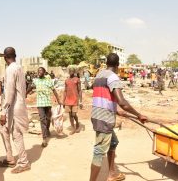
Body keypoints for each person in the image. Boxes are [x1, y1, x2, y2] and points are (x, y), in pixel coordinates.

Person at [89, 53, 147, 181]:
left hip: (97, 115)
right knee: (99, 152)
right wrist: (139, 115)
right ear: (117, 65)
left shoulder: (99, 75)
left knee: (113, 142)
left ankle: (111, 174)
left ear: (107, 63)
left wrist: (117, 111)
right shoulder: (113, 77)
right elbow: (122, 102)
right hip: (104, 119)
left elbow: (103, 97)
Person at [0, 47, 31, 173]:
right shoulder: (19, 67)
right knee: (4, 130)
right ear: (15, 55)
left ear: (4, 57)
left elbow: (10, 93)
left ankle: (24, 163)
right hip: (18, 105)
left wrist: (3, 112)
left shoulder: (10, 69)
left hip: (14, 106)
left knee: (16, 134)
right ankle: (10, 158)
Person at [27, 67, 62, 147]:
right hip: (40, 104)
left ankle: (47, 130)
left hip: (48, 103)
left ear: (44, 72)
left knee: (48, 119)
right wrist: (25, 93)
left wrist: (59, 100)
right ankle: (44, 138)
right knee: (42, 119)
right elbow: (31, 87)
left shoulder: (48, 81)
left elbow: (54, 91)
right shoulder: (35, 80)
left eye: (40, 71)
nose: (39, 72)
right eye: (38, 71)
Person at [63, 67, 82, 135]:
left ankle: (77, 122)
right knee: (70, 115)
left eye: (72, 71)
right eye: (70, 71)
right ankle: (73, 128)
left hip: (75, 100)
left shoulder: (77, 79)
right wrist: (63, 101)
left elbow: (80, 90)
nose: (71, 72)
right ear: (68, 72)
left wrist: (80, 101)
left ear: (74, 72)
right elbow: (65, 91)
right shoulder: (66, 80)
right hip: (68, 100)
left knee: (73, 114)